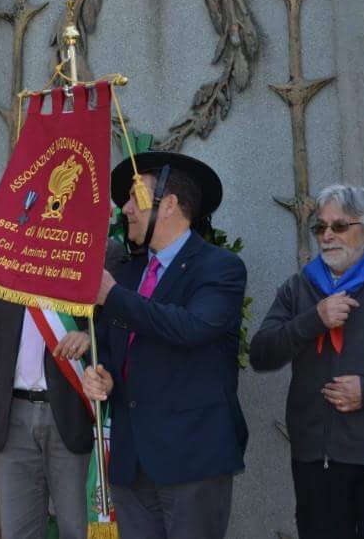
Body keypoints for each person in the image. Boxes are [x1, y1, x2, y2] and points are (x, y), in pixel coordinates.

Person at [82, 152, 248, 539]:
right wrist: (101, 374)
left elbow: (190, 327)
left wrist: (113, 296)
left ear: (169, 204)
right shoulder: (127, 274)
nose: (124, 209)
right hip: (131, 462)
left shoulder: (220, 268)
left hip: (192, 461)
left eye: (133, 197)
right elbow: (106, 345)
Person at [0, 239, 125, 539]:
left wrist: (89, 338)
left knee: (77, 529)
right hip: (11, 417)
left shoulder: (97, 247)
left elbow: (118, 322)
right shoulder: (3, 252)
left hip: (72, 413)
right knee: (17, 532)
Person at [250, 184, 364, 539]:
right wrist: (314, 319)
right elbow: (261, 354)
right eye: (320, 227)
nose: (327, 236)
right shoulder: (299, 287)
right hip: (316, 459)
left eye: (340, 226)